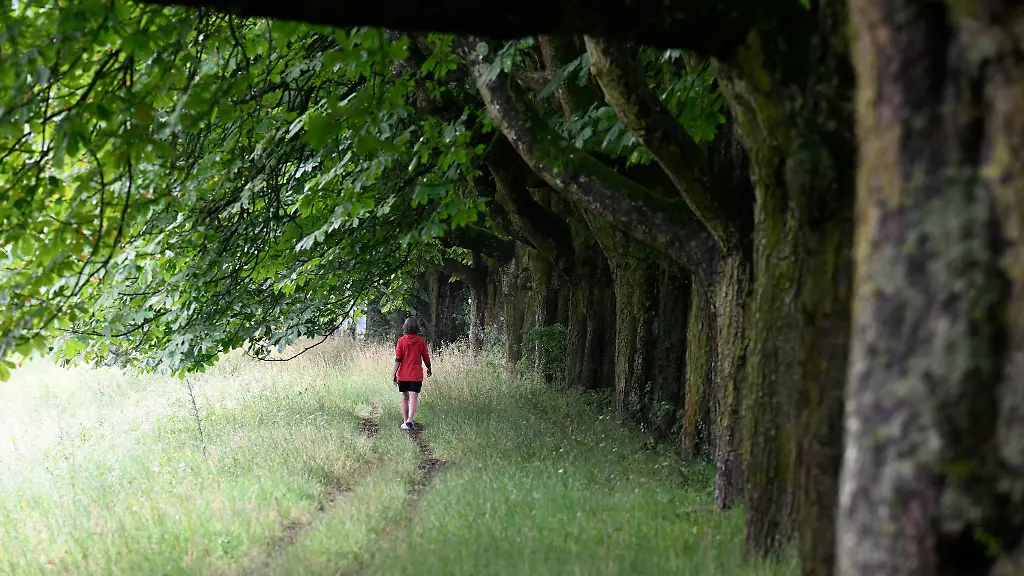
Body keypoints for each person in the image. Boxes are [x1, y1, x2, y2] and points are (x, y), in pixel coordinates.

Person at [392, 316, 432, 430]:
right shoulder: (421, 341)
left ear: (405, 327)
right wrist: (429, 367)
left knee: (405, 397)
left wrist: (393, 373)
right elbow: (425, 356)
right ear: (417, 328)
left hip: (403, 374)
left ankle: (405, 421)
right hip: (416, 375)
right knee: (414, 396)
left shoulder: (401, 341)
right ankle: (410, 419)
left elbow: (398, 359)